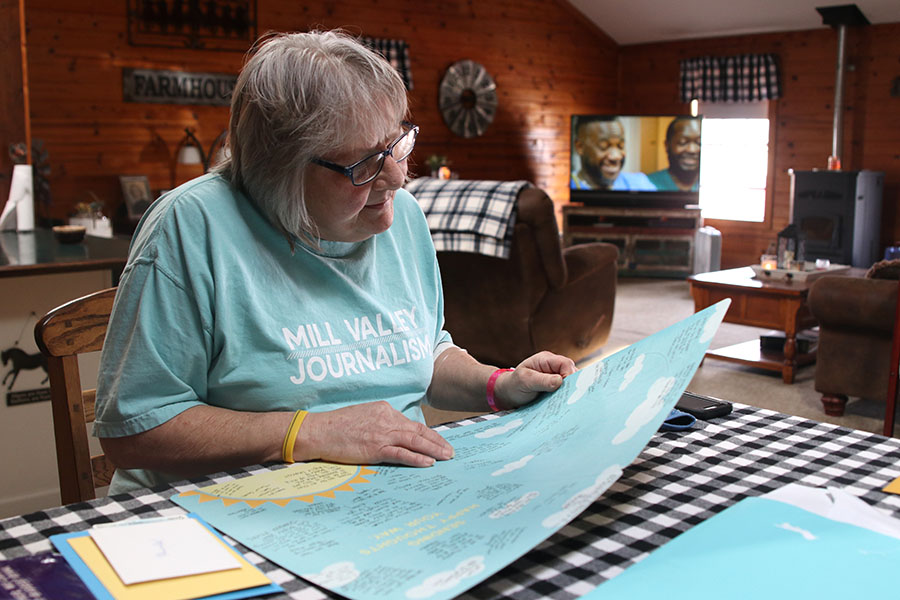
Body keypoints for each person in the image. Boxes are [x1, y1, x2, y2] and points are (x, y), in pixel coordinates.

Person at [93, 30, 576, 495]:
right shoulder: (191, 227)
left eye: (396, 145)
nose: (395, 177)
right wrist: (312, 433)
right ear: (278, 169)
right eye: (363, 163)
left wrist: (500, 384)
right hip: (224, 515)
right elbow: (134, 431)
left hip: (381, 502)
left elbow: (422, 352)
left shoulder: (402, 217)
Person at [570, 116, 655, 191]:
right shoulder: (566, 186)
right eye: (604, 146)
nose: (616, 156)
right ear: (579, 147)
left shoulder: (640, 184)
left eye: (620, 146)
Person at [647, 117, 702, 191]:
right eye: (682, 142)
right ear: (667, 145)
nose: (691, 150)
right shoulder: (647, 183)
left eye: (699, 143)